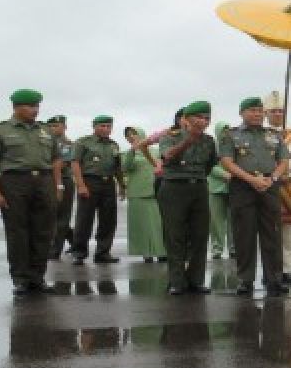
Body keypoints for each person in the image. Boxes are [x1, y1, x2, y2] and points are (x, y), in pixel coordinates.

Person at [0, 89, 63, 295]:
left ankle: (38, 278)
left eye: (37, 106)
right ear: (16, 107)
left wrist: (58, 185)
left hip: (44, 181)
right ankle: (21, 279)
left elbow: (56, 160)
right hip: (14, 182)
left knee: (43, 231)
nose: (35, 110)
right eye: (30, 106)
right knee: (18, 231)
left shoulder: (45, 131)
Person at [219, 97, 291, 296]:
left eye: (260, 111)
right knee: (244, 235)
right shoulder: (230, 135)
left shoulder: (274, 135)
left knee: (273, 234)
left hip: (269, 186)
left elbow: (283, 160)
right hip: (242, 187)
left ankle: (274, 278)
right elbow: (226, 162)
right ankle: (245, 279)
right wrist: (251, 179)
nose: (257, 114)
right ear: (241, 113)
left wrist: (273, 178)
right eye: (252, 110)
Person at [158, 101, 218, 295]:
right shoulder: (169, 136)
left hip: (199, 187)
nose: (203, 121)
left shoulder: (209, 141)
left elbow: (209, 165)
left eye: (207, 118)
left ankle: (196, 280)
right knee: (175, 236)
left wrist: (198, 178)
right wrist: (188, 141)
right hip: (174, 187)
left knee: (200, 235)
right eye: (199, 117)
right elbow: (167, 157)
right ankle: (176, 281)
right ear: (185, 119)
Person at [69, 115, 125, 265]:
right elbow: (75, 163)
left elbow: (117, 168)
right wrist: (80, 185)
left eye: (108, 126)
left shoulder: (114, 145)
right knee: (84, 219)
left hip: (108, 183)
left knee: (108, 220)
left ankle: (103, 252)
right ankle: (79, 252)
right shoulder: (83, 142)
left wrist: (122, 185)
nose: (106, 129)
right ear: (94, 127)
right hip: (90, 181)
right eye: (102, 126)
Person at [265, 90, 291, 284]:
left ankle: (288, 269)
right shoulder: (261, 133)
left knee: (289, 233)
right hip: (267, 185)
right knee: (270, 231)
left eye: (281, 111)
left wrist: (289, 175)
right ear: (266, 113)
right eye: (273, 111)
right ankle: (272, 271)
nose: (277, 114)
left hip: (290, 186)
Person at [122, 127, 166, 262]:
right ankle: (146, 253)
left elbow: (162, 164)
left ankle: (162, 252)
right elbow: (125, 167)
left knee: (158, 224)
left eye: (134, 134)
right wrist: (133, 150)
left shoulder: (156, 151)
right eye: (128, 135)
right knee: (141, 225)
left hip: (156, 191)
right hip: (137, 193)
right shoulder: (126, 153)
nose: (131, 137)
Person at [44, 115, 75, 259]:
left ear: (64, 127)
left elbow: (61, 163)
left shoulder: (66, 144)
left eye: (57, 126)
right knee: (50, 215)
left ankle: (55, 250)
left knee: (62, 216)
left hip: (63, 181)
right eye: (51, 126)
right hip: (47, 180)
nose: (53, 129)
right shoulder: (45, 142)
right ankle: (75, 240)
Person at [207, 122, 233, 259]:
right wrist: (224, 175)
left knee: (233, 219)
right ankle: (217, 248)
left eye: (228, 130)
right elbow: (209, 166)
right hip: (215, 188)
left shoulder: (234, 146)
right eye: (223, 130)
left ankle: (233, 248)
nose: (226, 133)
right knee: (216, 221)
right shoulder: (211, 147)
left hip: (233, 187)